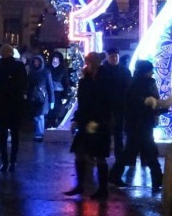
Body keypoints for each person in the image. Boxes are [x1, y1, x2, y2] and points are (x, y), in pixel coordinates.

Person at [108, 60, 167, 193]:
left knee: (130, 152)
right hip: (141, 124)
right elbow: (141, 104)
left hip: (136, 124)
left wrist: (156, 106)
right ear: (145, 71)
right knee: (149, 152)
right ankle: (157, 179)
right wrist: (157, 107)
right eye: (150, 70)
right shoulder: (142, 84)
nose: (152, 72)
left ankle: (114, 176)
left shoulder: (136, 83)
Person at [64, 52, 113, 200]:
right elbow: (82, 103)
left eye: (90, 62)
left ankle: (102, 189)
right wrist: (76, 119)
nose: (88, 65)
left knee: (99, 156)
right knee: (80, 152)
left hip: (100, 122)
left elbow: (108, 102)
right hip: (86, 121)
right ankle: (81, 185)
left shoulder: (105, 80)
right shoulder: (85, 80)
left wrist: (100, 120)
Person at [0, 44, 28, 172]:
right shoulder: (19, 66)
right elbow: (24, 83)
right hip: (16, 104)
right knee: (15, 134)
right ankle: (13, 161)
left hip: (1, 104)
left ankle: (4, 160)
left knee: (2, 134)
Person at [103, 47, 132, 165]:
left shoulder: (124, 71)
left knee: (118, 134)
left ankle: (119, 157)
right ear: (108, 57)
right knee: (105, 133)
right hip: (106, 108)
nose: (114, 58)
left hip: (120, 107)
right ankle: (103, 156)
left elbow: (129, 89)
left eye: (116, 56)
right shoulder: (103, 71)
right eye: (112, 56)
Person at [26, 54, 54, 142]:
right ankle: (38, 133)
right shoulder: (31, 72)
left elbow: (50, 87)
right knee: (36, 116)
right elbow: (28, 85)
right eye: (35, 61)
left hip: (43, 97)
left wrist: (51, 100)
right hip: (33, 97)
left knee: (40, 116)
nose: (36, 63)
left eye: (37, 61)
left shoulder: (46, 72)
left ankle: (40, 134)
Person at [47, 51, 70, 128]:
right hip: (48, 93)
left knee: (57, 113)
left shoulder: (63, 69)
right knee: (48, 113)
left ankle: (55, 128)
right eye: (54, 58)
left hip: (58, 94)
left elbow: (66, 83)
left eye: (57, 58)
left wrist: (65, 96)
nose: (55, 60)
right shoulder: (47, 67)